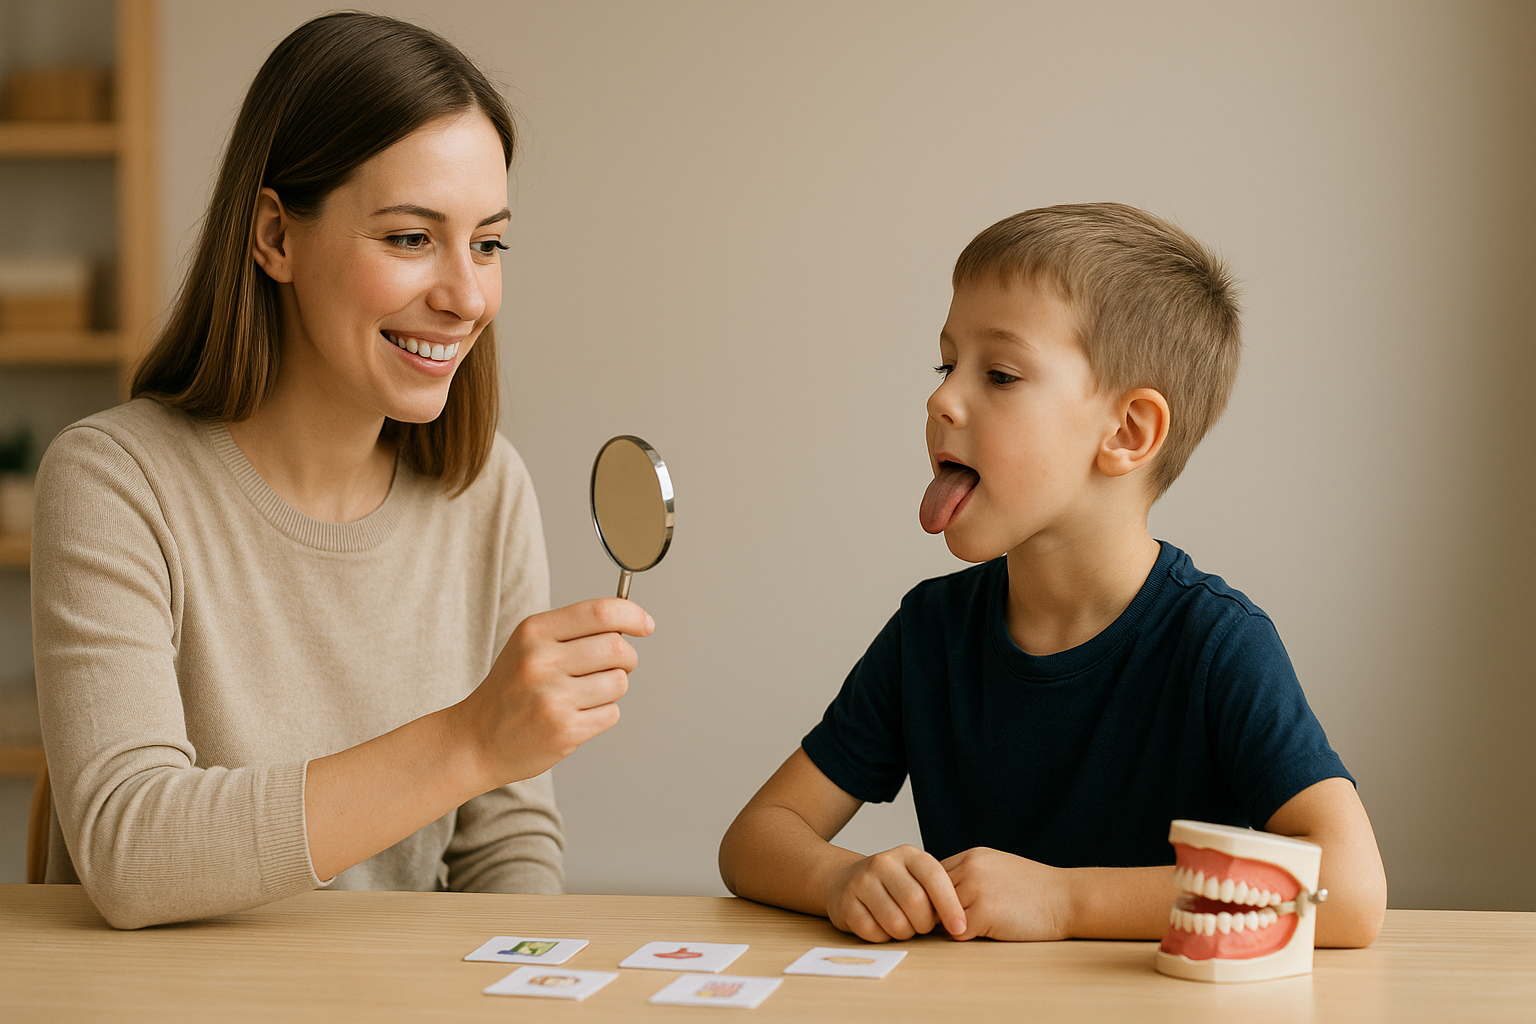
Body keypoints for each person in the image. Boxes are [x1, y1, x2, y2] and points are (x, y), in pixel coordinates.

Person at [30, 13, 652, 930]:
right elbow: (130, 849)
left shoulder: (486, 488)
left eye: (488, 243)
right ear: (275, 236)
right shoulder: (113, 482)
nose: (467, 295)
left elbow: (505, 845)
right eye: (410, 239)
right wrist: (470, 740)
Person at [718, 204, 1387, 946]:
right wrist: (839, 878)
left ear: (1128, 433)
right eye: (947, 364)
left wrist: (1066, 902)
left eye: (999, 374)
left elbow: (1350, 891)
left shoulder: (1217, 645)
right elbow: (755, 839)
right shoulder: (930, 634)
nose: (941, 398)